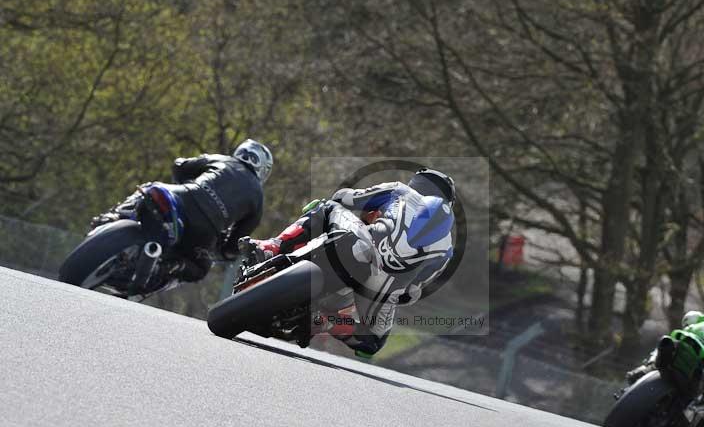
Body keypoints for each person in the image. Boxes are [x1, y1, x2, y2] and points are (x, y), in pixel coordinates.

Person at [240, 168, 456, 357]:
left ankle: (271, 247)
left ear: (417, 183)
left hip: (358, 242)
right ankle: (323, 320)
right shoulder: (446, 250)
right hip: (380, 286)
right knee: (372, 342)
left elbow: (346, 198)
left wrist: (366, 216)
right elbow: (412, 292)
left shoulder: (400, 191)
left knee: (326, 206)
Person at [91, 139, 272, 283]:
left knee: (151, 189)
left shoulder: (223, 159)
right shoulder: (258, 198)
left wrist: (183, 181)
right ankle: (168, 267)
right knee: (200, 267)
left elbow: (180, 165)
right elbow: (236, 242)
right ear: (263, 170)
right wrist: (224, 250)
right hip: (206, 231)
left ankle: (113, 217)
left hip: (183, 197)